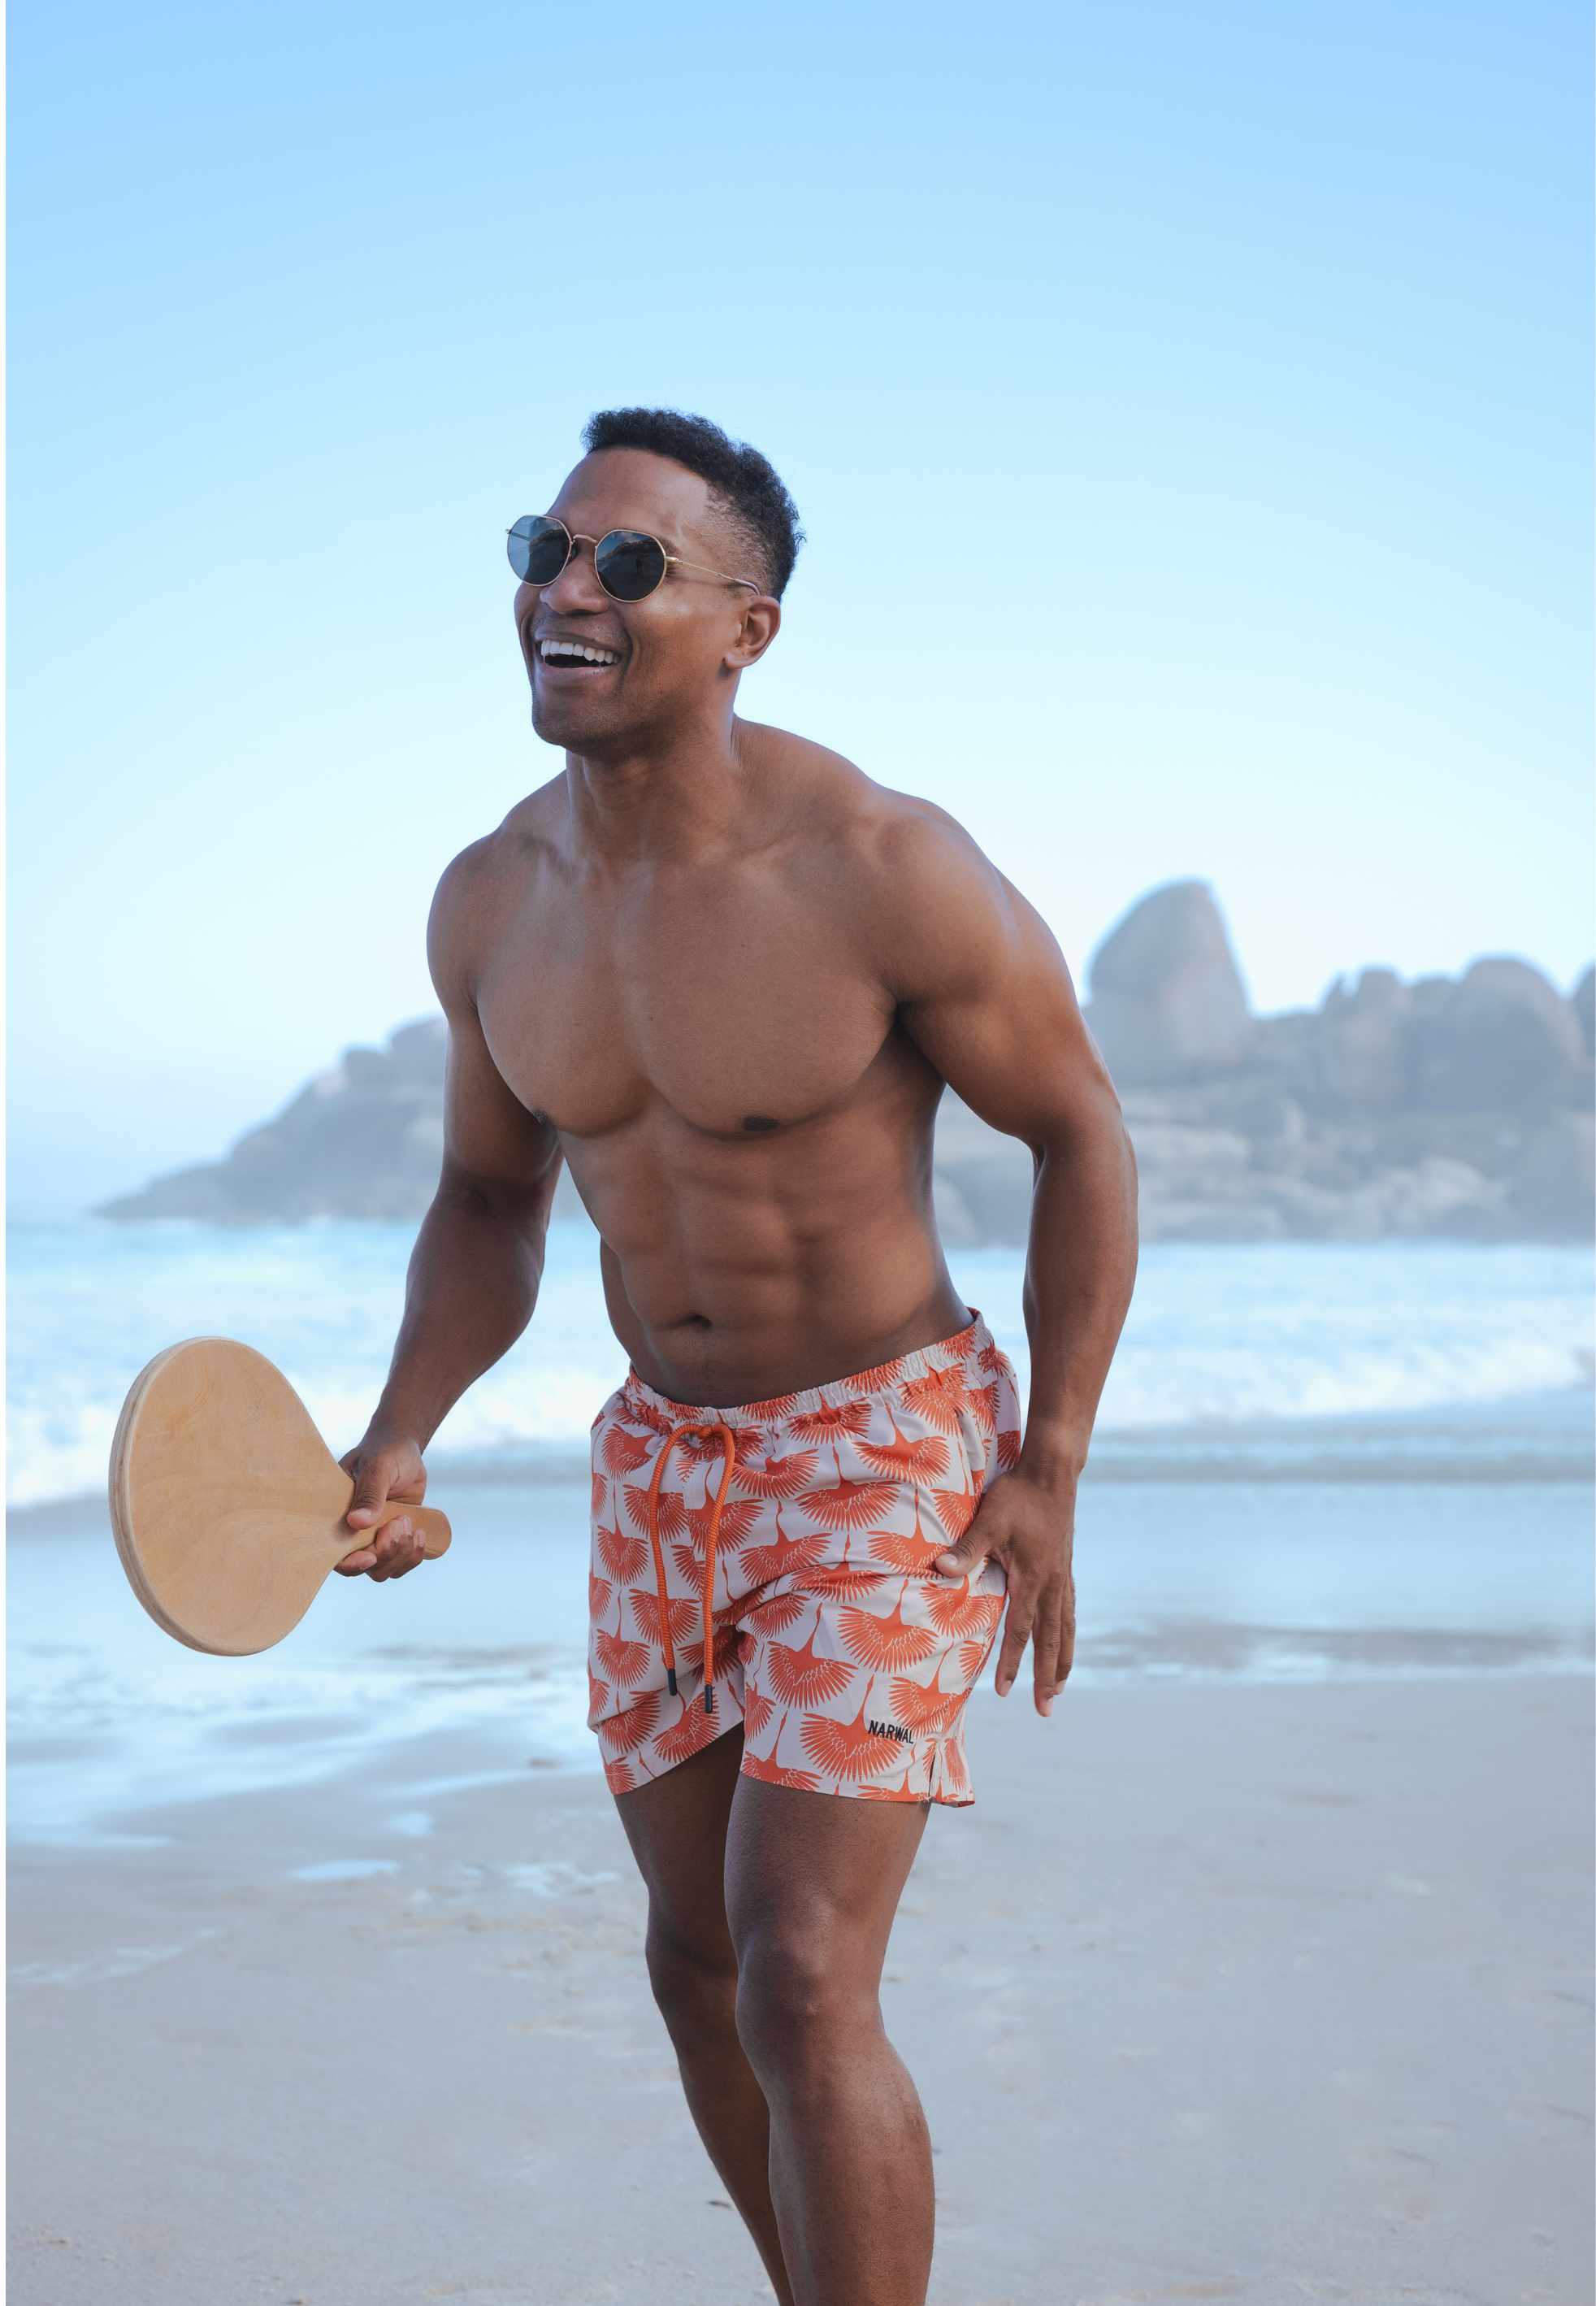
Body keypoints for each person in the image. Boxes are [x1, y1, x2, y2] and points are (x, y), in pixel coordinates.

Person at [338, 408, 1138, 2306]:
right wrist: (400, 1429)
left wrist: (1052, 1459)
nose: (566, 587)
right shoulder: (491, 899)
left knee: (798, 1966)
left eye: (627, 563)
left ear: (745, 630)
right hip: (661, 1465)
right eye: (545, 546)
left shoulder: (879, 865)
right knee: (693, 1962)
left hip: (889, 1447)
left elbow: (1081, 1134)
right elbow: (487, 1198)